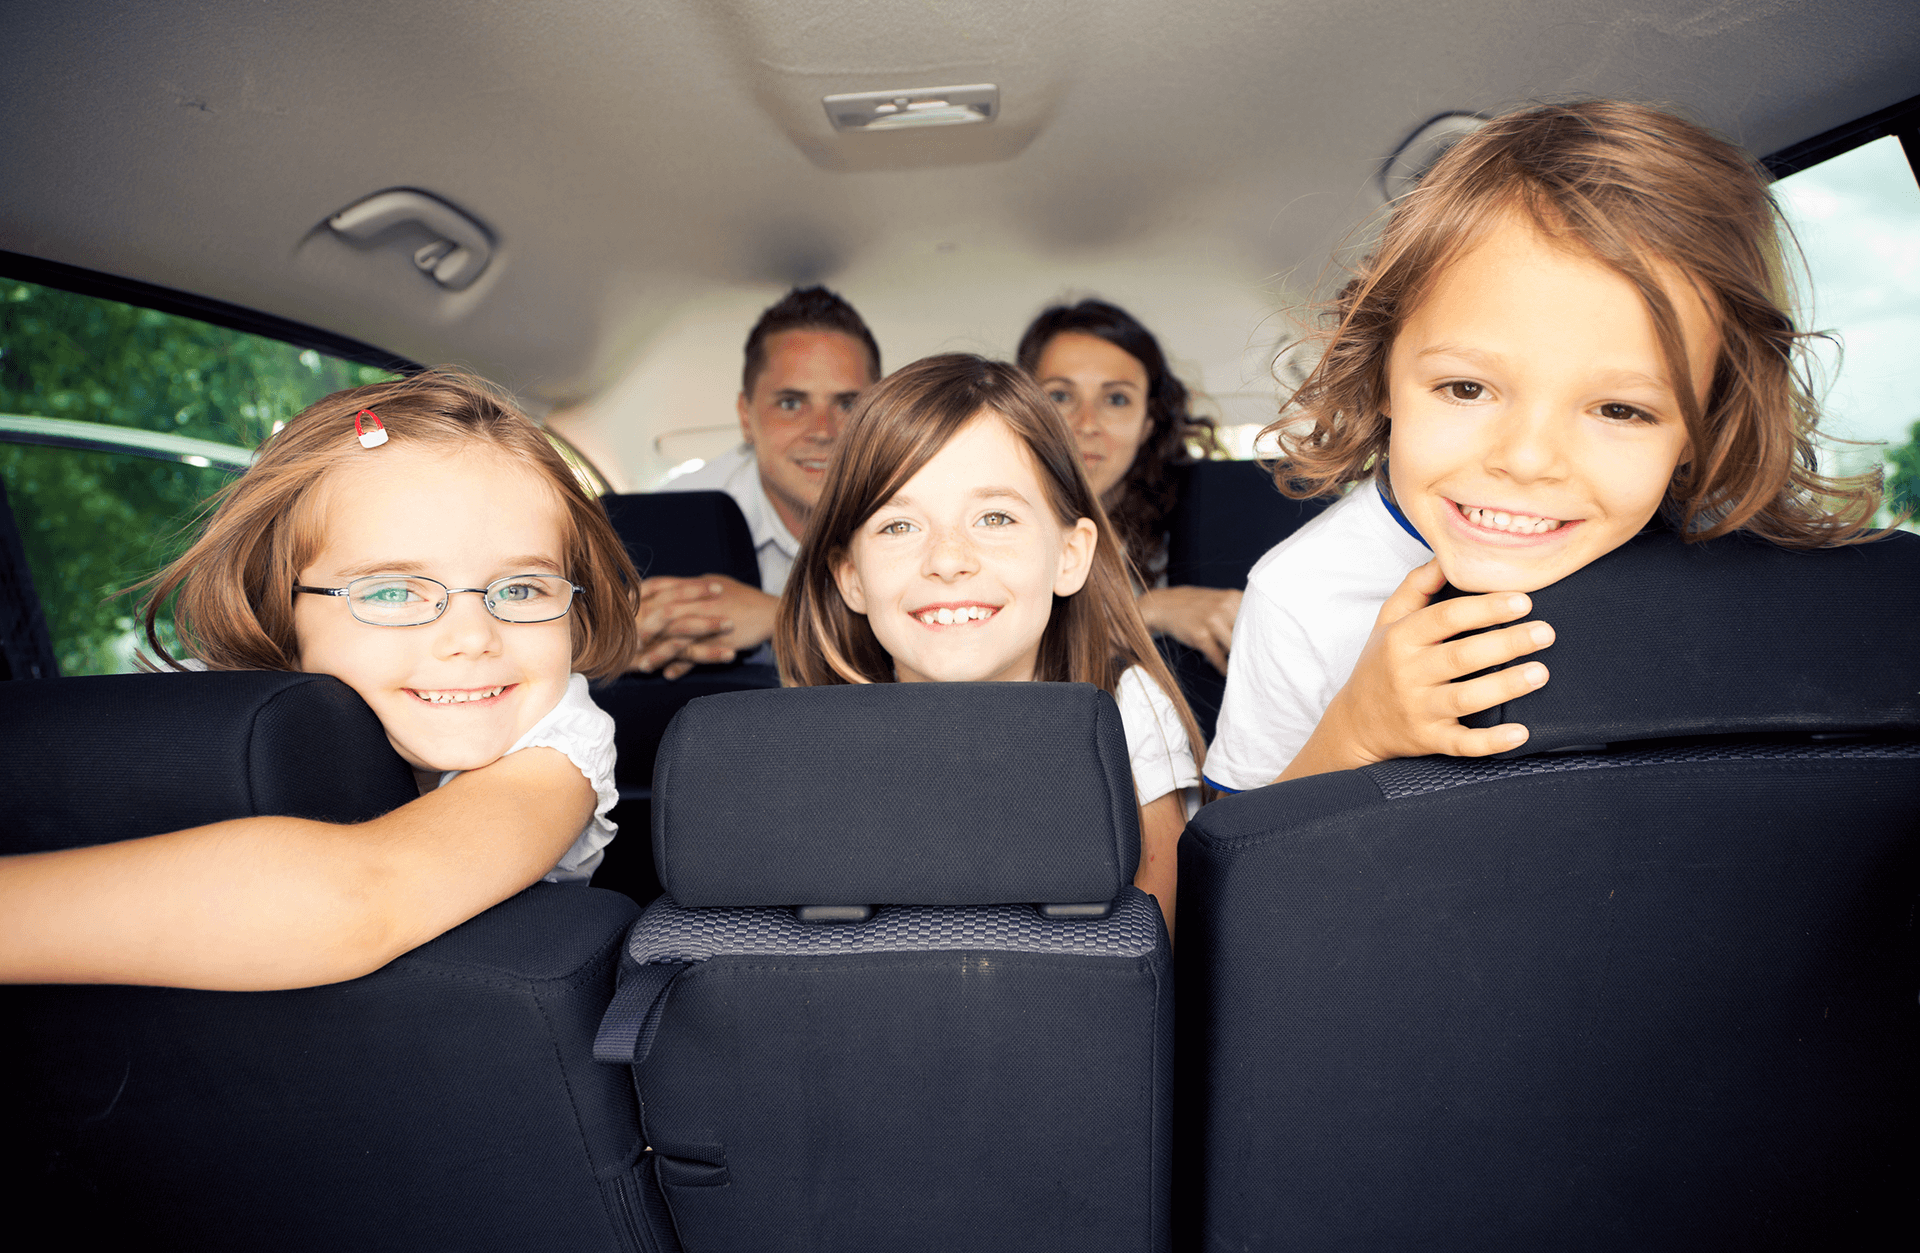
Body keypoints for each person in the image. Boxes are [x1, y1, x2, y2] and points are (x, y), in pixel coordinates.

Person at [1202, 100, 1886, 793]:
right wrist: (1353, 731)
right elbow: (1237, 853)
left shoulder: (1763, 590)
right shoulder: (1301, 595)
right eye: (1466, 389)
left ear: (1705, 424)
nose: (1527, 460)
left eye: (1620, 409)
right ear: (1381, 374)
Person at [0, 369, 642, 989]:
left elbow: (361, 898)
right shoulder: (212, 712)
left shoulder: (561, 743)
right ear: (280, 606)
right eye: (391, 592)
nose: (473, 637)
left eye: (523, 587)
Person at [775, 354, 1203, 934]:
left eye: (995, 518)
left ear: (1070, 556)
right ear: (850, 575)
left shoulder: (1131, 710)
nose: (949, 559)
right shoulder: (800, 747)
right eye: (899, 526)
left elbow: (1158, 962)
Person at [634, 285, 882, 678]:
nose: (822, 431)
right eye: (790, 403)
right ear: (746, 418)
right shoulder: (669, 520)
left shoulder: (916, 510)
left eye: (847, 404)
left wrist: (777, 617)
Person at [1016, 300, 1240, 674]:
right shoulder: (984, 525)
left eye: (1116, 399)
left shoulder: (1196, 532)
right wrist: (1148, 613)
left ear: (1147, 424)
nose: (1087, 424)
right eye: (1060, 395)